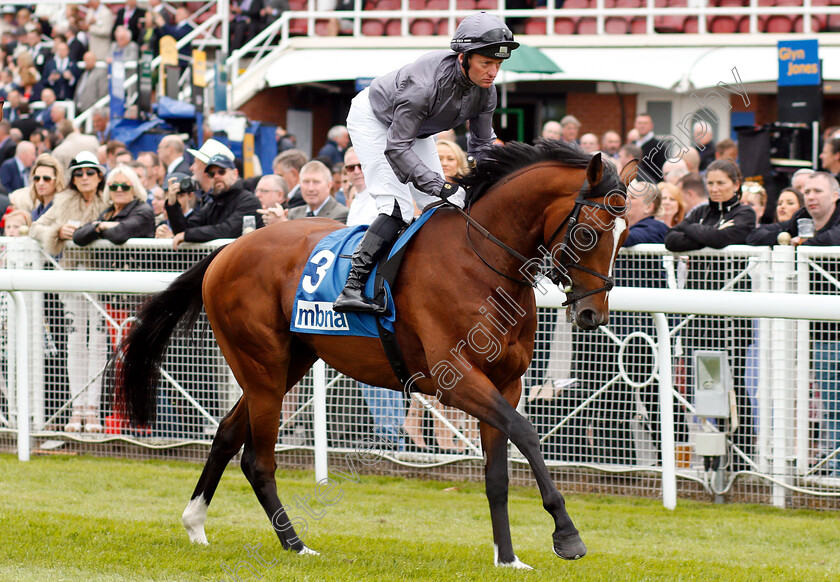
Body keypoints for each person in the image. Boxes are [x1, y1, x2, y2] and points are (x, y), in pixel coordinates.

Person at [333, 12, 519, 314]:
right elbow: (396, 148)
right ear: (463, 58)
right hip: (376, 120)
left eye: (498, 64)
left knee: (442, 206)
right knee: (397, 207)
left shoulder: (486, 92)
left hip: (415, 130)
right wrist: (441, 184)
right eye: (486, 63)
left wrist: (490, 183)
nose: (493, 72)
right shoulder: (423, 86)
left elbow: (482, 145)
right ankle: (353, 287)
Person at [29, 151, 109, 433]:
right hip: (72, 278)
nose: (84, 178)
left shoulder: (110, 198)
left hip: (104, 281)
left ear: (100, 175)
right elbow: (36, 227)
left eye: (90, 172)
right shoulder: (63, 200)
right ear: (73, 178)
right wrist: (58, 231)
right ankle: (77, 409)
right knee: (75, 340)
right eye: (79, 173)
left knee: (99, 343)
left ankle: (94, 410)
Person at [163, 154, 263, 249]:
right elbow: (183, 230)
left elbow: (227, 231)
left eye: (221, 172)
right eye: (211, 174)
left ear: (235, 174)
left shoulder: (249, 201)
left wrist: (187, 235)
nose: (216, 176)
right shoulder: (213, 204)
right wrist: (172, 203)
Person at [746, 172, 840, 247]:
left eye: (818, 191)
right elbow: (754, 235)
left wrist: (801, 244)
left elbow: (832, 239)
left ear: (834, 196)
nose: (811, 197)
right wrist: (784, 238)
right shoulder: (801, 216)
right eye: (807, 192)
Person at [72, 164, 154, 245]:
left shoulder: (143, 211)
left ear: (134, 188)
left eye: (125, 186)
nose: (119, 189)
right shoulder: (107, 212)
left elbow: (119, 235)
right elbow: (78, 237)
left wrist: (96, 231)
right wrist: (100, 226)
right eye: (114, 186)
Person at [9, 153, 65, 221]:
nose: (40, 183)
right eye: (37, 178)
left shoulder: (63, 209)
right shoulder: (35, 210)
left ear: (57, 180)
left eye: (46, 178)